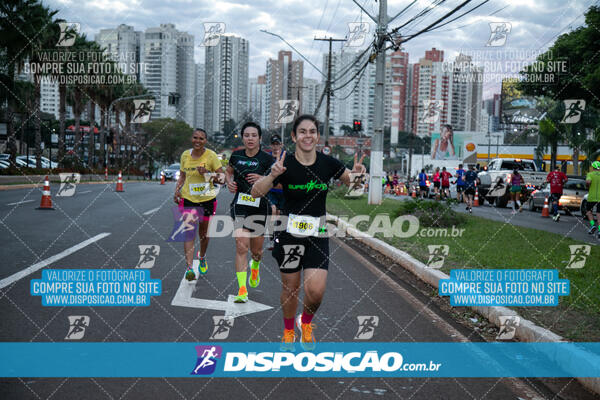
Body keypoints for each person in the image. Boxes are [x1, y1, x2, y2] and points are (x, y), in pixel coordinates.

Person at [251, 114, 366, 351]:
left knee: (315, 292)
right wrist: (273, 175)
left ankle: (306, 323)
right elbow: (255, 192)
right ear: (294, 136)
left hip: (317, 233)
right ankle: (288, 331)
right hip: (289, 234)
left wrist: (358, 174)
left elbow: (355, 187)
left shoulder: (328, 163)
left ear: (317, 136)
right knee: (290, 288)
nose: (307, 136)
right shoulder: (284, 163)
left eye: (312, 131)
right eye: (302, 131)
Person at [226, 122, 274, 303]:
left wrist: (263, 179)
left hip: (260, 208)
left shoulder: (267, 159)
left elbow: (276, 181)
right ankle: (242, 290)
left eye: (254, 135)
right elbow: (228, 172)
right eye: (247, 135)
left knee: (257, 251)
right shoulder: (236, 156)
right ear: (242, 137)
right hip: (240, 206)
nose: (250, 138)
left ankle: (255, 265)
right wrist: (229, 181)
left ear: (260, 138)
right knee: (240, 245)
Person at [174, 128, 224, 281]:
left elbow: (221, 178)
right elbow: (182, 176)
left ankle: (202, 256)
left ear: (205, 141)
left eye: (201, 138)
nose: (198, 141)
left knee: (204, 234)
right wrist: (177, 190)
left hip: (207, 199)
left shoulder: (211, 156)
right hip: (188, 198)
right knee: (189, 232)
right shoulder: (185, 155)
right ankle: (189, 268)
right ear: (192, 139)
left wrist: (207, 174)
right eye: (195, 137)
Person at [266, 134, 285, 250]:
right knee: (273, 211)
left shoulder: (286, 157)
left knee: (280, 214)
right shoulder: (267, 158)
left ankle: (279, 238)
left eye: (277, 144)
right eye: (273, 144)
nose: (275, 146)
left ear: (281, 145)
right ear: (270, 145)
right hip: (271, 190)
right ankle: (271, 239)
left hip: (283, 191)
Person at [585, 161, 600, 236]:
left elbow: (588, 181)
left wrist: (587, 185)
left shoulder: (590, 174)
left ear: (593, 167)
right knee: (599, 213)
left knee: (588, 211)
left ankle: (592, 225)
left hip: (592, 197)